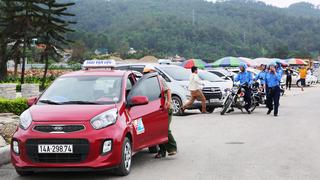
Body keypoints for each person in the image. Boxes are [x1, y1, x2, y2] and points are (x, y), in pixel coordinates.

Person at [143, 65, 177, 158]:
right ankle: (162, 151)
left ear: (152, 72)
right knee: (159, 130)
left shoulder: (159, 79)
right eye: (145, 73)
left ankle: (172, 148)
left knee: (164, 128)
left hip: (165, 107)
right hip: (155, 108)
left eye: (147, 73)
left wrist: (169, 102)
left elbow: (168, 90)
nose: (146, 75)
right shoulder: (147, 82)